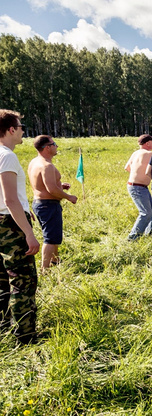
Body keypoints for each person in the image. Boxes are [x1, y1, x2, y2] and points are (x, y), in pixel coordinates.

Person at [0, 109, 40, 344]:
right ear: (11, 130)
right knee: (22, 281)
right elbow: (10, 199)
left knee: (3, 280)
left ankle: (5, 328)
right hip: (9, 225)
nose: (23, 131)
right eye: (20, 126)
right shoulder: (6, 156)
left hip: (5, 220)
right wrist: (28, 233)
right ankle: (25, 336)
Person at [27, 135, 78, 269]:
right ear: (47, 148)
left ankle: (55, 262)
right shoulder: (47, 166)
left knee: (54, 235)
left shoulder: (34, 162)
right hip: (48, 205)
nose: (56, 146)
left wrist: (60, 186)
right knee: (50, 238)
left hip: (40, 203)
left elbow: (43, 185)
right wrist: (68, 196)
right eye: (54, 144)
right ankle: (45, 269)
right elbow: (51, 190)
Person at [124, 134, 152, 241]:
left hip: (135, 186)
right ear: (147, 143)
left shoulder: (135, 153)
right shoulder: (150, 154)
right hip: (138, 187)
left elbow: (127, 168)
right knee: (145, 213)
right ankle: (132, 238)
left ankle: (149, 234)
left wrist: (138, 173)